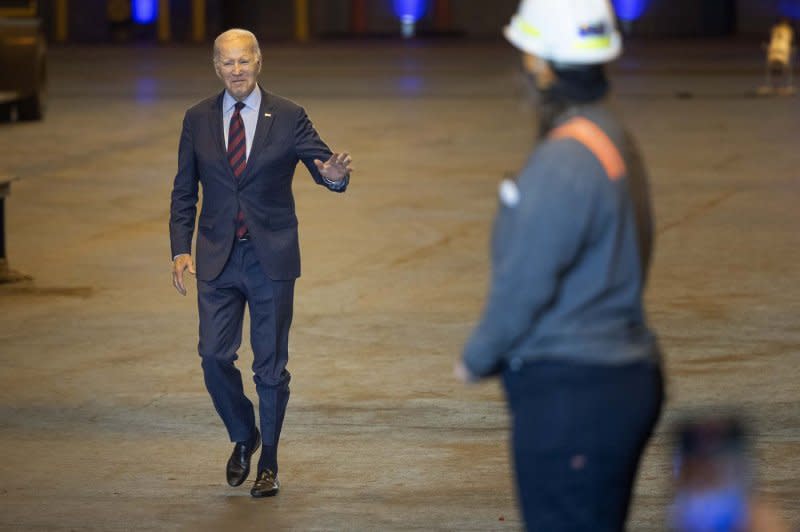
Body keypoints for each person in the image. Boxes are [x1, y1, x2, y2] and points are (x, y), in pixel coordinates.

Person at [454, 1, 663, 530]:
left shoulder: (565, 159)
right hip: (618, 378)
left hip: (574, 394)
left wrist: (478, 355)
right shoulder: (612, 138)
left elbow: (526, 279)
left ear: (543, 65)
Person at [169, 28, 352, 498]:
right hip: (217, 257)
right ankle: (243, 433)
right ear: (216, 66)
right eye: (227, 63)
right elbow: (185, 190)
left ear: (258, 61)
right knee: (213, 357)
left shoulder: (289, 116)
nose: (236, 70)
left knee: (269, 367)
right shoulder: (197, 118)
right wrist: (180, 247)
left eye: (243, 61)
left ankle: (268, 462)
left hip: (269, 257)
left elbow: (322, 164)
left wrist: (332, 178)